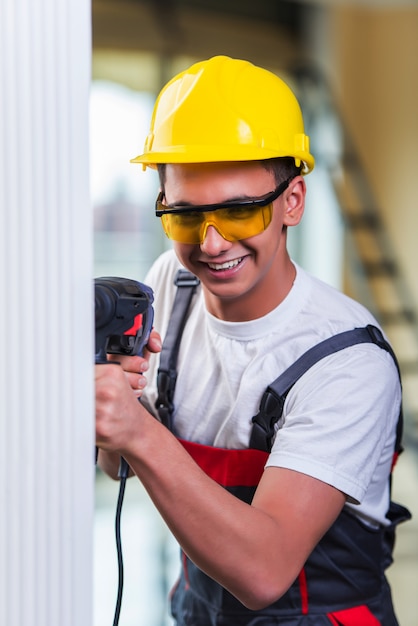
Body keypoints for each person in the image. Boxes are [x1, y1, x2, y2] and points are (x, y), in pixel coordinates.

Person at [95, 56, 410, 625]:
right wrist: (113, 408)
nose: (212, 243)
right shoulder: (173, 283)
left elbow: (263, 572)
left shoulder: (347, 360)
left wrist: (136, 427)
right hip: (200, 609)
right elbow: (119, 466)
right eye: (186, 215)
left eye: (239, 211)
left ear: (292, 201)